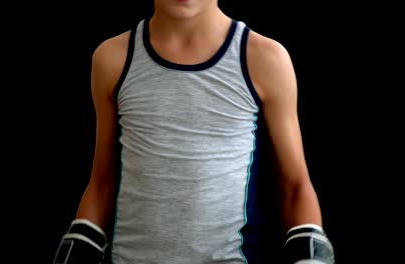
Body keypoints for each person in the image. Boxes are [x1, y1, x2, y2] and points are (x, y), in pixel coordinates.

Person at [53, 0, 335, 263]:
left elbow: (294, 185)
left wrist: (311, 253)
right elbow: (102, 182)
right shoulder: (113, 57)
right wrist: (79, 244)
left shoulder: (263, 58)